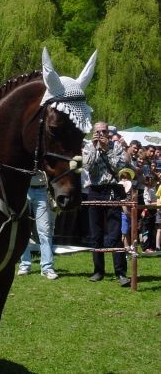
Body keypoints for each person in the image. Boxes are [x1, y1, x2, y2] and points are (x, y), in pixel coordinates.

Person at [82, 121, 130, 287]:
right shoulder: (89, 147)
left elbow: (119, 167)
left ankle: (121, 272)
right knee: (96, 233)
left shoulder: (115, 146)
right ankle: (98, 271)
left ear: (108, 132)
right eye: (98, 131)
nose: (101, 134)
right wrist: (96, 148)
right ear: (93, 132)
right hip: (95, 191)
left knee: (115, 233)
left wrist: (107, 150)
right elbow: (88, 167)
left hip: (112, 190)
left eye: (104, 131)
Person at [17, 172, 58, 279]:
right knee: (23, 230)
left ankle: (47, 268)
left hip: (42, 191)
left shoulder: (43, 156)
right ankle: (25, 265)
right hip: (24, 189)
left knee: (45, 231)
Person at [117, 167, 135, 248]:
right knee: (124, 232)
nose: (126, 179)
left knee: (127, 231)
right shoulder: (120, 189)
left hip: (129, 213)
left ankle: (127, 248)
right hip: (124, 213)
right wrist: (127, 213)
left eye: (127, 178)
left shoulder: (130, 189)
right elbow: (122, 202)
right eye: (123, 178)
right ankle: (124, 249)